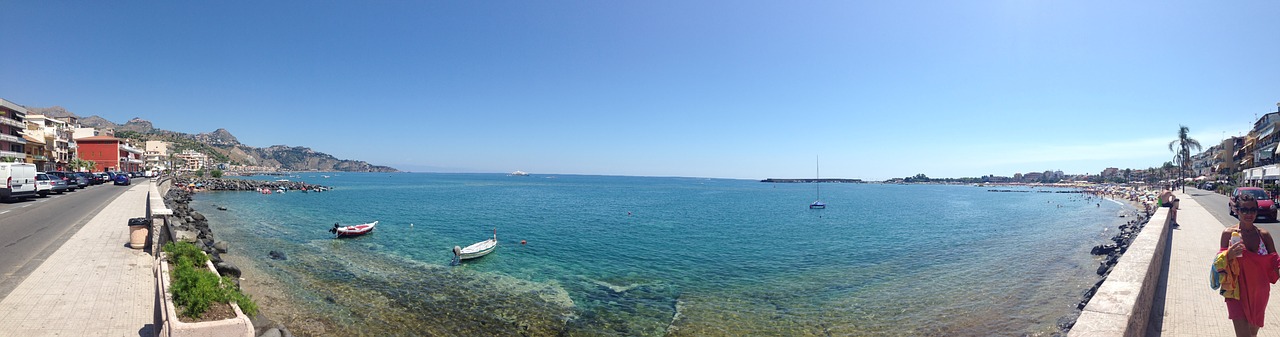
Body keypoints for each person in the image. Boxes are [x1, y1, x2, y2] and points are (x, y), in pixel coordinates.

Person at [1219, 194, 1280, 336]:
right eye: (1244, 210)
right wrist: (1228, 255)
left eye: (1253, 210)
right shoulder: (1228, 234)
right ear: (1237, 210)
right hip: (1236, 291)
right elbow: (1219, 265)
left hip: (1259, 292)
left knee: (1252, 334)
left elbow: (1275, 262)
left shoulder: (1264, 235)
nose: (1249, 214)